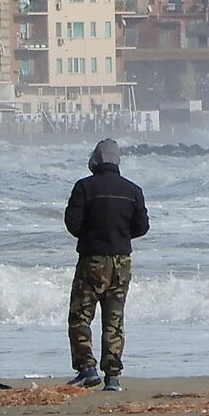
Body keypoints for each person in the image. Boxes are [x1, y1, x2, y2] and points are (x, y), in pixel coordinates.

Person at [64, 138, 149, 391]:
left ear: (95, 160)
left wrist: (93, 236)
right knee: (114, 319)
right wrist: (120, 237)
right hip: (122, 261)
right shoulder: (133, 190)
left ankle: (87, 369)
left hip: (92, 260)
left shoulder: (84, 187)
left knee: (80, 316)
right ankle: (113, 376)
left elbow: (72, 224)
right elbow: (142, 227)